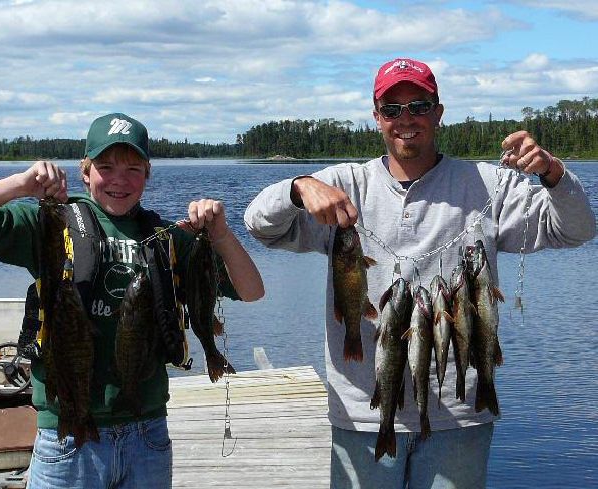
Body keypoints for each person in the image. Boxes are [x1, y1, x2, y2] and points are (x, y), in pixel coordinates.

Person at [244, 58, 595, 489]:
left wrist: (553, 173)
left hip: (460, 414)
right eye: (392, 109)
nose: (405, 119)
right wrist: (297, 187)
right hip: (363, 411)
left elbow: (576, 229)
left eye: (419, 106)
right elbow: (259, 224)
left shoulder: (489, 185)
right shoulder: (343, 184)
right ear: (376, 117)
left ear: (438, 113)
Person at [0, 112, 264, 489]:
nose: (119, 179)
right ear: (85, 172)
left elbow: (252, 290)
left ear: (147, 174)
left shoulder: (166, 237)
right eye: (105, 167)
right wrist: (18, 184)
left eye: (133, 169)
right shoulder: (53, 223)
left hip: (146, 433)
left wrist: (221, 234)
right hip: (67, 436)